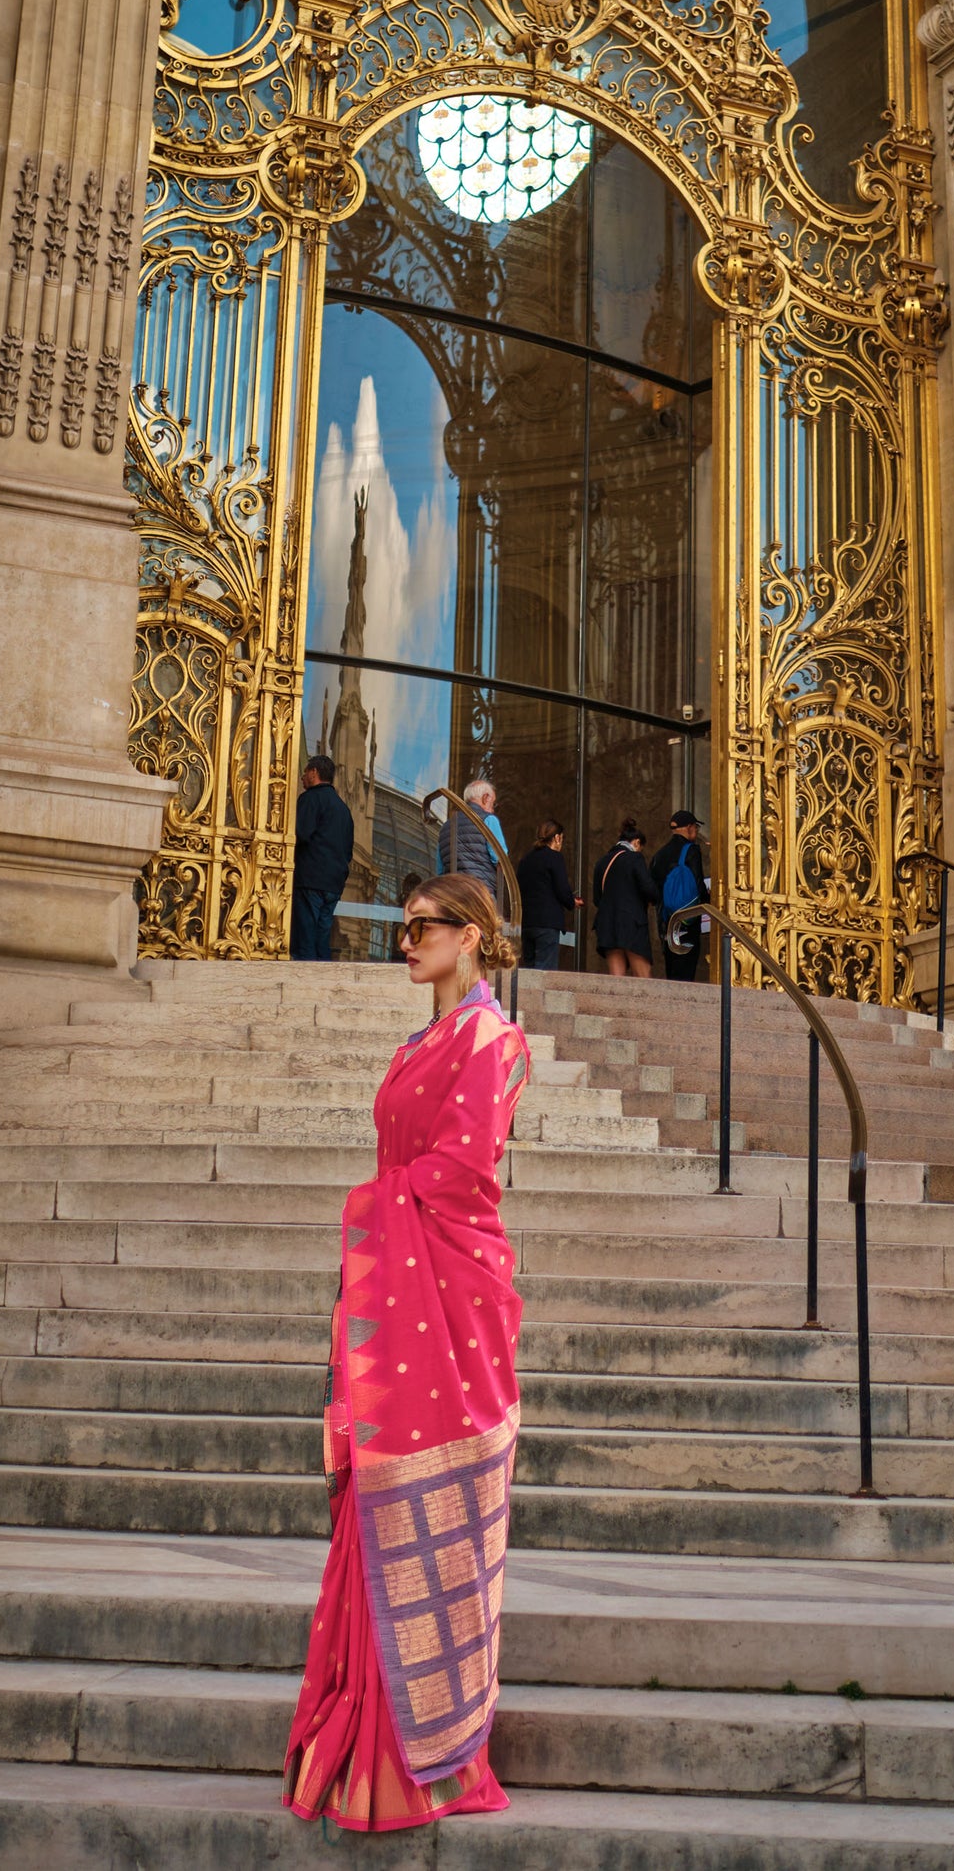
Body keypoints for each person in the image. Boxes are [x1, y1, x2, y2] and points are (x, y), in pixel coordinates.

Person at [284, 874, 530, 1833]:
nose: (405, 940)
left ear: (469, 935)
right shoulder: (419, 1043)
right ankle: (364, 1741)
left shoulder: (490, 1038)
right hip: (400, 1282)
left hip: (451, 1293)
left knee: (438, 1515)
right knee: (375, 1504)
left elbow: (464, 1169)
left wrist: (366, 1207)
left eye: (422, 926)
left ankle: (428, 1753)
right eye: (404, 925)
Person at [291, 754, 354, 961]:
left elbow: (301, 834)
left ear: (314, 772)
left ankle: (306, 980)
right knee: (322, 940)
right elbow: (348, 851)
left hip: (310, 880)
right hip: (333, 884)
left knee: (305, 941)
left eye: (305, 772)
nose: (302, 777)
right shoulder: (344, 810)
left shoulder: (310, 799)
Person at [592, 819, 659, 978]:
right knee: (642, 976)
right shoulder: (634, 858)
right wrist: (654, 898)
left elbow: (597, 898)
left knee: (617, 978)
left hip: (607, 924)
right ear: (636, 842)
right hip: (631, 924)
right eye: (641, 848)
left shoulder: (602, 862)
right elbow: (648, 888)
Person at [515, 818, 579, 971]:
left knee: (529, 971)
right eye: (562, 838)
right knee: (545, 972)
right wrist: (572, 902)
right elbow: (562, 889)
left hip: (527, 922)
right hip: (547, 923)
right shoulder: (554, 857)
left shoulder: (526, 859)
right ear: (556, 838)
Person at [651, 810, 706, 982]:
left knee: (672, 967)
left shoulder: (659, 855)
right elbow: (698, 884)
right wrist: (708, 902)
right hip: (688, 919)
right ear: (689, 827)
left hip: (667, 921)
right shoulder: (691, 851)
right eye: (696, 827)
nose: (696, 831)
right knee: (687, 966)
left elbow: (653, 890)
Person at [437, 778, 505, 887]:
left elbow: (440, 871)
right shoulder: (489, 820)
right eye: (493, 804)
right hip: (480, 891)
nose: (493, 810)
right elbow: (500, 859)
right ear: (485, 798)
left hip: (452, 892)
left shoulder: (445, 828)